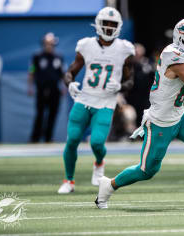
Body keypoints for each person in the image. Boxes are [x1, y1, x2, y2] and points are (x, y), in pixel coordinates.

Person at [95, 17, 184, 209]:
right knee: (147, 171)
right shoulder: (173, 56)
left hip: (180, 116)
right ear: (183, 39)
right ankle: (109, 185)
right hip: (159, 122)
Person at [57, 7, 135, 194]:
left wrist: (119, 87)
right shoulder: (86, 45)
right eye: (105, 23)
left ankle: (99, 163)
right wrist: (70, 83)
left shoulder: (125, 49)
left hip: (106, 102)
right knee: (73, 140)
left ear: (119, 26)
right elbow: (70, 72)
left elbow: (130, 81)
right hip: (84, 99)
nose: (108, 27)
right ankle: (69, 180)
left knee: (97, 143)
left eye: (113, 24)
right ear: (97, 25)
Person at [28, 32, 64, 143]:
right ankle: (35, 138)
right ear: (43, 43)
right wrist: (30, 86)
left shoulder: (58, 57)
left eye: (51, 43)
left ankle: (48, 138)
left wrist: (64, 86)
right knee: (40, 114)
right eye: (47, 43)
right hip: (41, 89)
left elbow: (62, 73)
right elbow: (32, 71)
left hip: (55, 90)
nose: (49, 45)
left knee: (53, 114)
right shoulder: (37, 57)